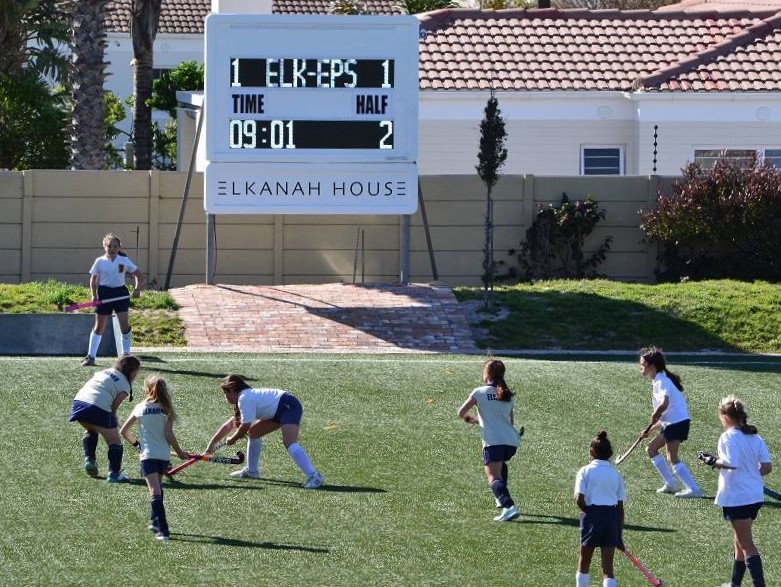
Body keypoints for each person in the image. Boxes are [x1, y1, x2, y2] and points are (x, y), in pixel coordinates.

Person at [698, 396, 772, 587]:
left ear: (725, 416)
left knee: (747, 543)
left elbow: (731, 463)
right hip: (754, 496)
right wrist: (750, 474)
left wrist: (712, 461)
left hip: (738, 498)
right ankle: (735, 583)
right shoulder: (755, 437)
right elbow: (766, 467)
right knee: (739, 540)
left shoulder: (728, 437)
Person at [204, 374, 324, 489]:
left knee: (289, 442)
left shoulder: (244, 398)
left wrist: (233, 439)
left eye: (225, 393)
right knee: (254, 433)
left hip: (288, 406)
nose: (225, 397)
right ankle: (252, 471)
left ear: (232, 390)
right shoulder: (244, 398)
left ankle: (314, 476)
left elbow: (245, 426)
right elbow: (228, 425)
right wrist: (210, 446)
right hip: (278, 411)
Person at [120, 375, 190, 542]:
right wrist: (179, 452)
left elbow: (123, 431)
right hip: (163, 456)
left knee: (154, 490)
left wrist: (137, 445)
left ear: (147, 390)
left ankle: (163, 530)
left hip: (148, 456)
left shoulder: (141, 407)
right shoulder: (167, 409)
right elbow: (168, 435)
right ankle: (154, 520)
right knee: (157, 487)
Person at [457, 358, 521, 522]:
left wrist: (470, 419)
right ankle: (501, 498)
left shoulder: (479, 392)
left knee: (493, 477)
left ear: (487, 374)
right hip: (511, 441)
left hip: (493, 441)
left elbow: (461, 412)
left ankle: (509, 506)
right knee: (501, 465)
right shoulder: (506, 395)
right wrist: (481, 421)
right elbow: (509, 422)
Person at [638, 346, 703, 498]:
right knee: (651, 449)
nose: (640, 368)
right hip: (673, 423)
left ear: (652, 366)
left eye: (642, 365)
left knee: (671, 457)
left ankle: (694, 489)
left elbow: (664, 404)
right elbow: (664, 416)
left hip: (677, 423)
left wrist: (655, 414)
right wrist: (650, 430)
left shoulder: (661, 381)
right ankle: (671, 483)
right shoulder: (659, 381)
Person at [68, 355, 141, 482]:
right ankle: (114, 474)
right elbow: (112, 409)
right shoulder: (125, 385)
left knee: (92, 429)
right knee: (115, 442)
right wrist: (117, 423)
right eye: (136, 372)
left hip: (78, 404)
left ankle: (89, 460)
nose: (136, 375)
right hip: (97, 409)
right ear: (132, 371)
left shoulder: (104, 372)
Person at [81, 233, 143, 367]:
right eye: (109, 246)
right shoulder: (100, 261)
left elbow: (138, 274)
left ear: (119, 247)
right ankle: (91, 356)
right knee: (99, 327)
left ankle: (126, 357)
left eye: (115, 246)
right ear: (104, 247)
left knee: (124, 327)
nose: (112, 249)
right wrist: (94, 295)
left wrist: (137, 289)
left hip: (120, 293)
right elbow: (93, 279)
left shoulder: (124, 261)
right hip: (104, 293)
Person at [574, 431, 626, 587]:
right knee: (608, 568)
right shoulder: (616, 475)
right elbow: (620, 509)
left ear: (591, 451)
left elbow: (579, 499)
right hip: (611, 519)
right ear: (609, 453)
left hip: (592, 516)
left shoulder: (584, 471)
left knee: (584, 562)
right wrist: (619, 535)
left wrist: (589, 512)